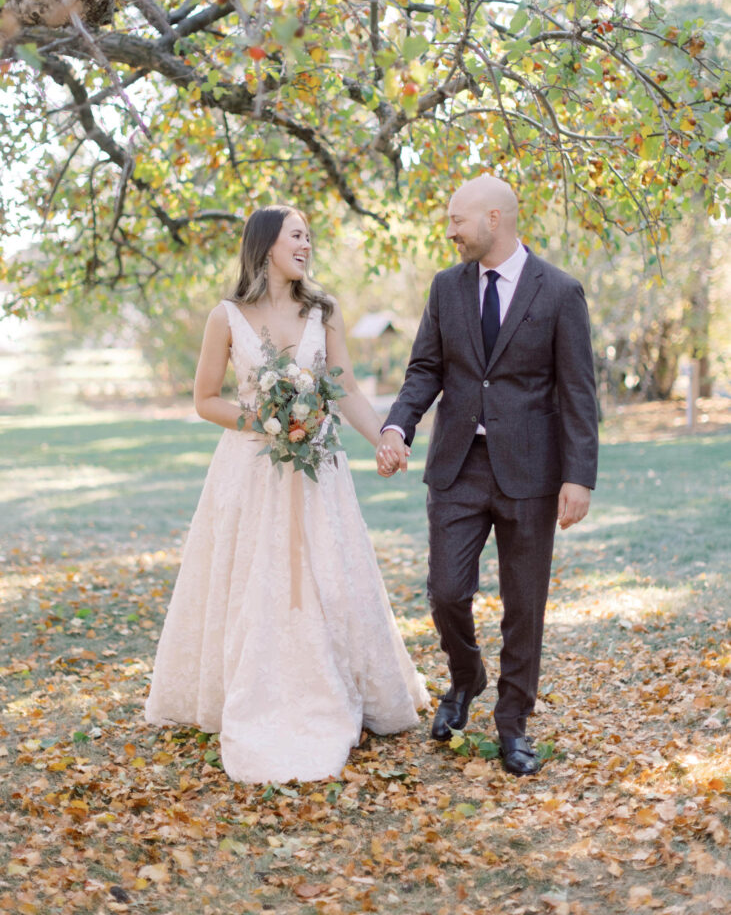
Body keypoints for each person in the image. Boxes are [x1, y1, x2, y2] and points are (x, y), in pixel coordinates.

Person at [145, 205, 428, 783]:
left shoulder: (324, 311)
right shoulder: (225, 318)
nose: (306, 245)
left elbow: (343, 387)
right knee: (256, 577)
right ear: (267, 244)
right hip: (251, 474)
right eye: (297, 235)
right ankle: (251, 690)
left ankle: (330, 683)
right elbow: (205, 400)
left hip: (319, 472)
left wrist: (383, 439)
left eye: (308, 236)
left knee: (326, 574)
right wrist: (264, 418)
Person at [376, 174, 598, 776]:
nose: (449, 232)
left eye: (457, 220)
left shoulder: (560, 291)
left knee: (525, 604)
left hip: (532, 473)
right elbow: (424, 368)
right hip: (456, 466)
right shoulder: (446, 288)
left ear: (495, 218)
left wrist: (579, 476)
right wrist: (397, 428)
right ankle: (466, 675)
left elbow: (579, 391)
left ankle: (513, 723)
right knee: (446, 592)